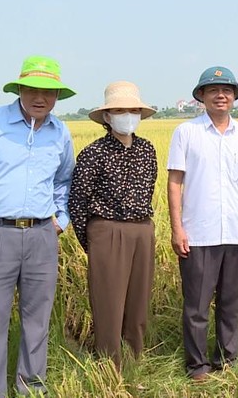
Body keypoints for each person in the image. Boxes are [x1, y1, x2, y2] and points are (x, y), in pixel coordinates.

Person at [0, 55, 75, 397]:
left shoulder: (61, 133)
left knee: (37, 321)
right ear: (19, 88)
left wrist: (60, 220)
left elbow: (65, 181)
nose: (41, 97)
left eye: (49, 91)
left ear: (57, 96)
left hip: (41, 237)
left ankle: (31, 388)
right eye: (33, 88)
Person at [167, 66, 238, 381]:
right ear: (202, 97)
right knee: (196, 305)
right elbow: (174, 182)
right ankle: (197, 365)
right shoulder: (186, 132)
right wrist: (177, 228)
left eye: (226, 90)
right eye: (213, 90)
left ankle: (228, 359)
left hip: (235, 233)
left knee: (231, 302)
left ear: (234, 96)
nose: (220, 95)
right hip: (198, 234)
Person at [68, 81, 158, 368]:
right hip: (106, 230)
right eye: (119, 110)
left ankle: (134, 360)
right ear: (106, 117)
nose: (127, 116)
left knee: (138, 300)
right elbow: (77, 201)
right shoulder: (93, 153)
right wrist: (93, 241)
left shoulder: (147, 150)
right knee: (109, 302)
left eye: (132, 110)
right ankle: (110, 364)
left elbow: (150, 187)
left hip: (142, 229)